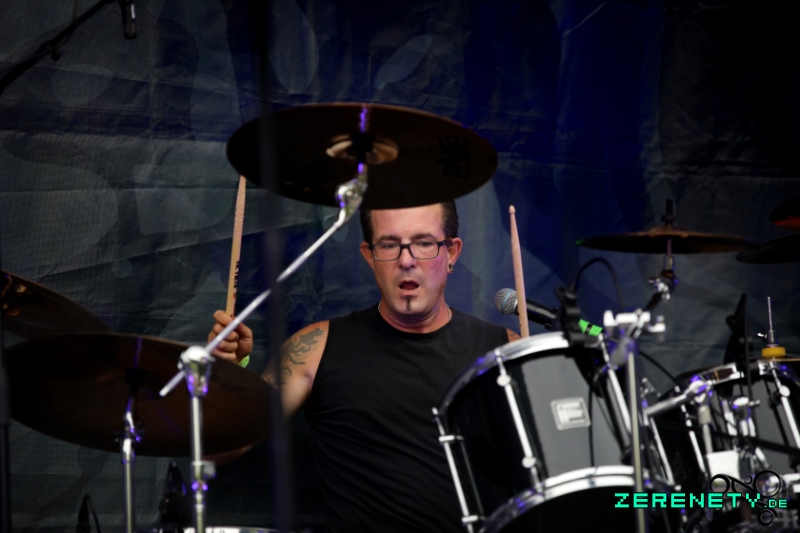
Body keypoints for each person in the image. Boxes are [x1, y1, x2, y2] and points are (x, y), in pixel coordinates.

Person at [209, 201, 519, 533]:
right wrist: (226, 375)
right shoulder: (315, 348)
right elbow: (218, 451)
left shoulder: (506, 351)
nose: (406, 260)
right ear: (369, 255)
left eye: (423, 243)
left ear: (452, 252)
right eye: (389, 245)